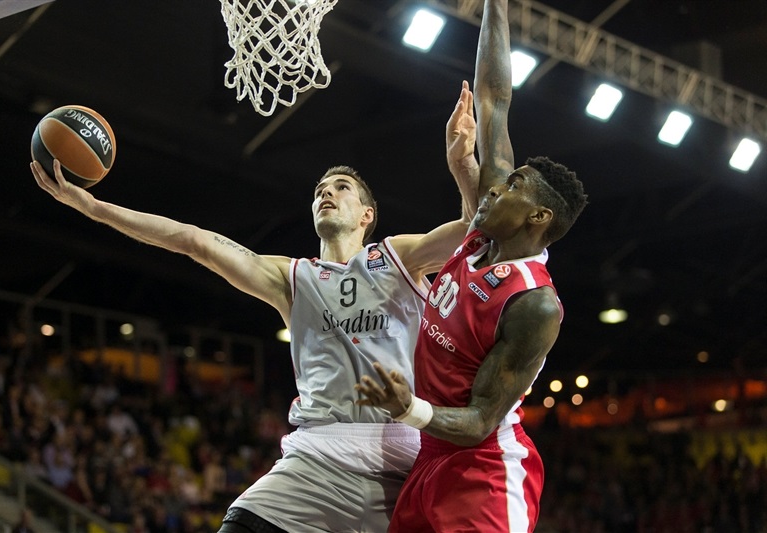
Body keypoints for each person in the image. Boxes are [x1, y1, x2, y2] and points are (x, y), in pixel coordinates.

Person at [30, 91, 478, 532]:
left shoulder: (397, 257)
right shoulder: (292, 278)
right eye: (320, 189)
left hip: (398, 455)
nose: (327, 193)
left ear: (367, 214)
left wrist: (463, 168)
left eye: (342, 188)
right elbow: (194, 241)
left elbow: (481, 232)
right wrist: (94, 208)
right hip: (316, 458)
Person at [354, 0, 589, 531]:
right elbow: (494, 99)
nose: (493, 181)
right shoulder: (489, 224)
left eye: (511, 184)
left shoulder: (535, 303)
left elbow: (482, 420)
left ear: (537, 216)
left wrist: (407, 407)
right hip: (430, 456)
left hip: (485, 471)